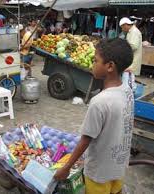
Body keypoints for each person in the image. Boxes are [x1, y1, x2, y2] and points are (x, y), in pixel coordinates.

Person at [54, 38, 134, 194]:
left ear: (110, 66)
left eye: (95, 61)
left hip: (98, 174)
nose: (92, 64)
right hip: (118, 167)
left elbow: (85, 140)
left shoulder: (99, 102)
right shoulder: (128, 91)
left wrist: (66, 168)